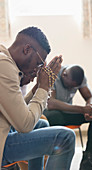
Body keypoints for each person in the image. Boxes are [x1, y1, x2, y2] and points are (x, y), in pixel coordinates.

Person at [0, 26, 76, 170]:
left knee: (41, 124)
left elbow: (16, 111)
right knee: (65, 137)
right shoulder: (4, 66)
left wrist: (37, 89)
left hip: (4, 133)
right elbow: (24, 124)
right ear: (27, 49)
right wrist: (44, 88)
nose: (38, 69)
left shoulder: (5, 61)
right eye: (39, 63)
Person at [43, 65, 92, 170]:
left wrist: (90, 108)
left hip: (69, 112)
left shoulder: (79, 79)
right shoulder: (54, 76)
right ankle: (53, 155)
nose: (72, 89)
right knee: (54, 116)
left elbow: (90, 97)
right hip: (51, 113)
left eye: (75, 87)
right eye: (70, 86)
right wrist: (82, 110)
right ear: (64, 75)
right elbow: (51, 104)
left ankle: (88, 158)